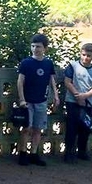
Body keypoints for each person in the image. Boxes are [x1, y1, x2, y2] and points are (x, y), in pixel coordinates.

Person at [15, 33, 59, 166]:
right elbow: (20, 81)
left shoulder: (48, 63)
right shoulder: (26, 63)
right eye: (33, 46)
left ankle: (33, 153)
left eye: (38, 46)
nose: (35, 49)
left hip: (41, 100)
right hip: (28, 101)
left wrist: (56, 95)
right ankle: (23, 153)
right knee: (26, 128)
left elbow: (51, 79)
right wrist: (22, 99)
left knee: (38, 129)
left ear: (45, 48)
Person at [62, 43, 92, 163]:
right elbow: (67, 82)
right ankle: (69, 152)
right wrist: (77, 95)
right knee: (71, 128)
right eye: (84, 55)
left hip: (88, 103)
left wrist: (85, 96)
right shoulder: (73, 66)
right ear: (80, 54)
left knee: (85, 127)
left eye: (89, 56)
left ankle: (82, 151)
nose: (86, 58)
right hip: (72, 101)